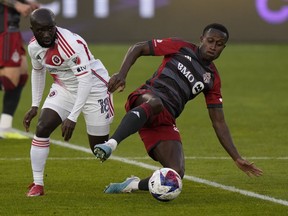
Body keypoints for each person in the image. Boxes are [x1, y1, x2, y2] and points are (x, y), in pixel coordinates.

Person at [93, 23, 263, 194]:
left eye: (219, 44)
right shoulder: (180, 47)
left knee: (176, 173)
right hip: (146, 97)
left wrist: (236, 157)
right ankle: (110, 144)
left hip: (166, 118)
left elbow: (218, 122)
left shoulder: (212, 78)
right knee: (156, 103)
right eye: (210, 41)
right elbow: (139, 48)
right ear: (201, 39)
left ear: (223, 47)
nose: (213, 47)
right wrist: (122, 74)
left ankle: (131, 185)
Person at [23, 8, 114, 197]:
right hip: (65, 88)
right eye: (41, 31)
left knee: (100, 150)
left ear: (55, 26)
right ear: (33, 30)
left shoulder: (72, 43)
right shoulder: (33, 47)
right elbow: (38, 71)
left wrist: (72, 117)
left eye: (50, 29)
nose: (47, 35)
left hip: (94, 88)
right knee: (42, 127)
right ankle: (37, 184)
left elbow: (85, 80)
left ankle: (134, 122)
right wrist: (34, 105)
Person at [0, 0, 39, 138]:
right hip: (4, 31)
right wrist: (17, 5)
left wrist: (28, 2)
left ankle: (4, 127)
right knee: (10, 81)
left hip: (13, 30)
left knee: (22, 77)